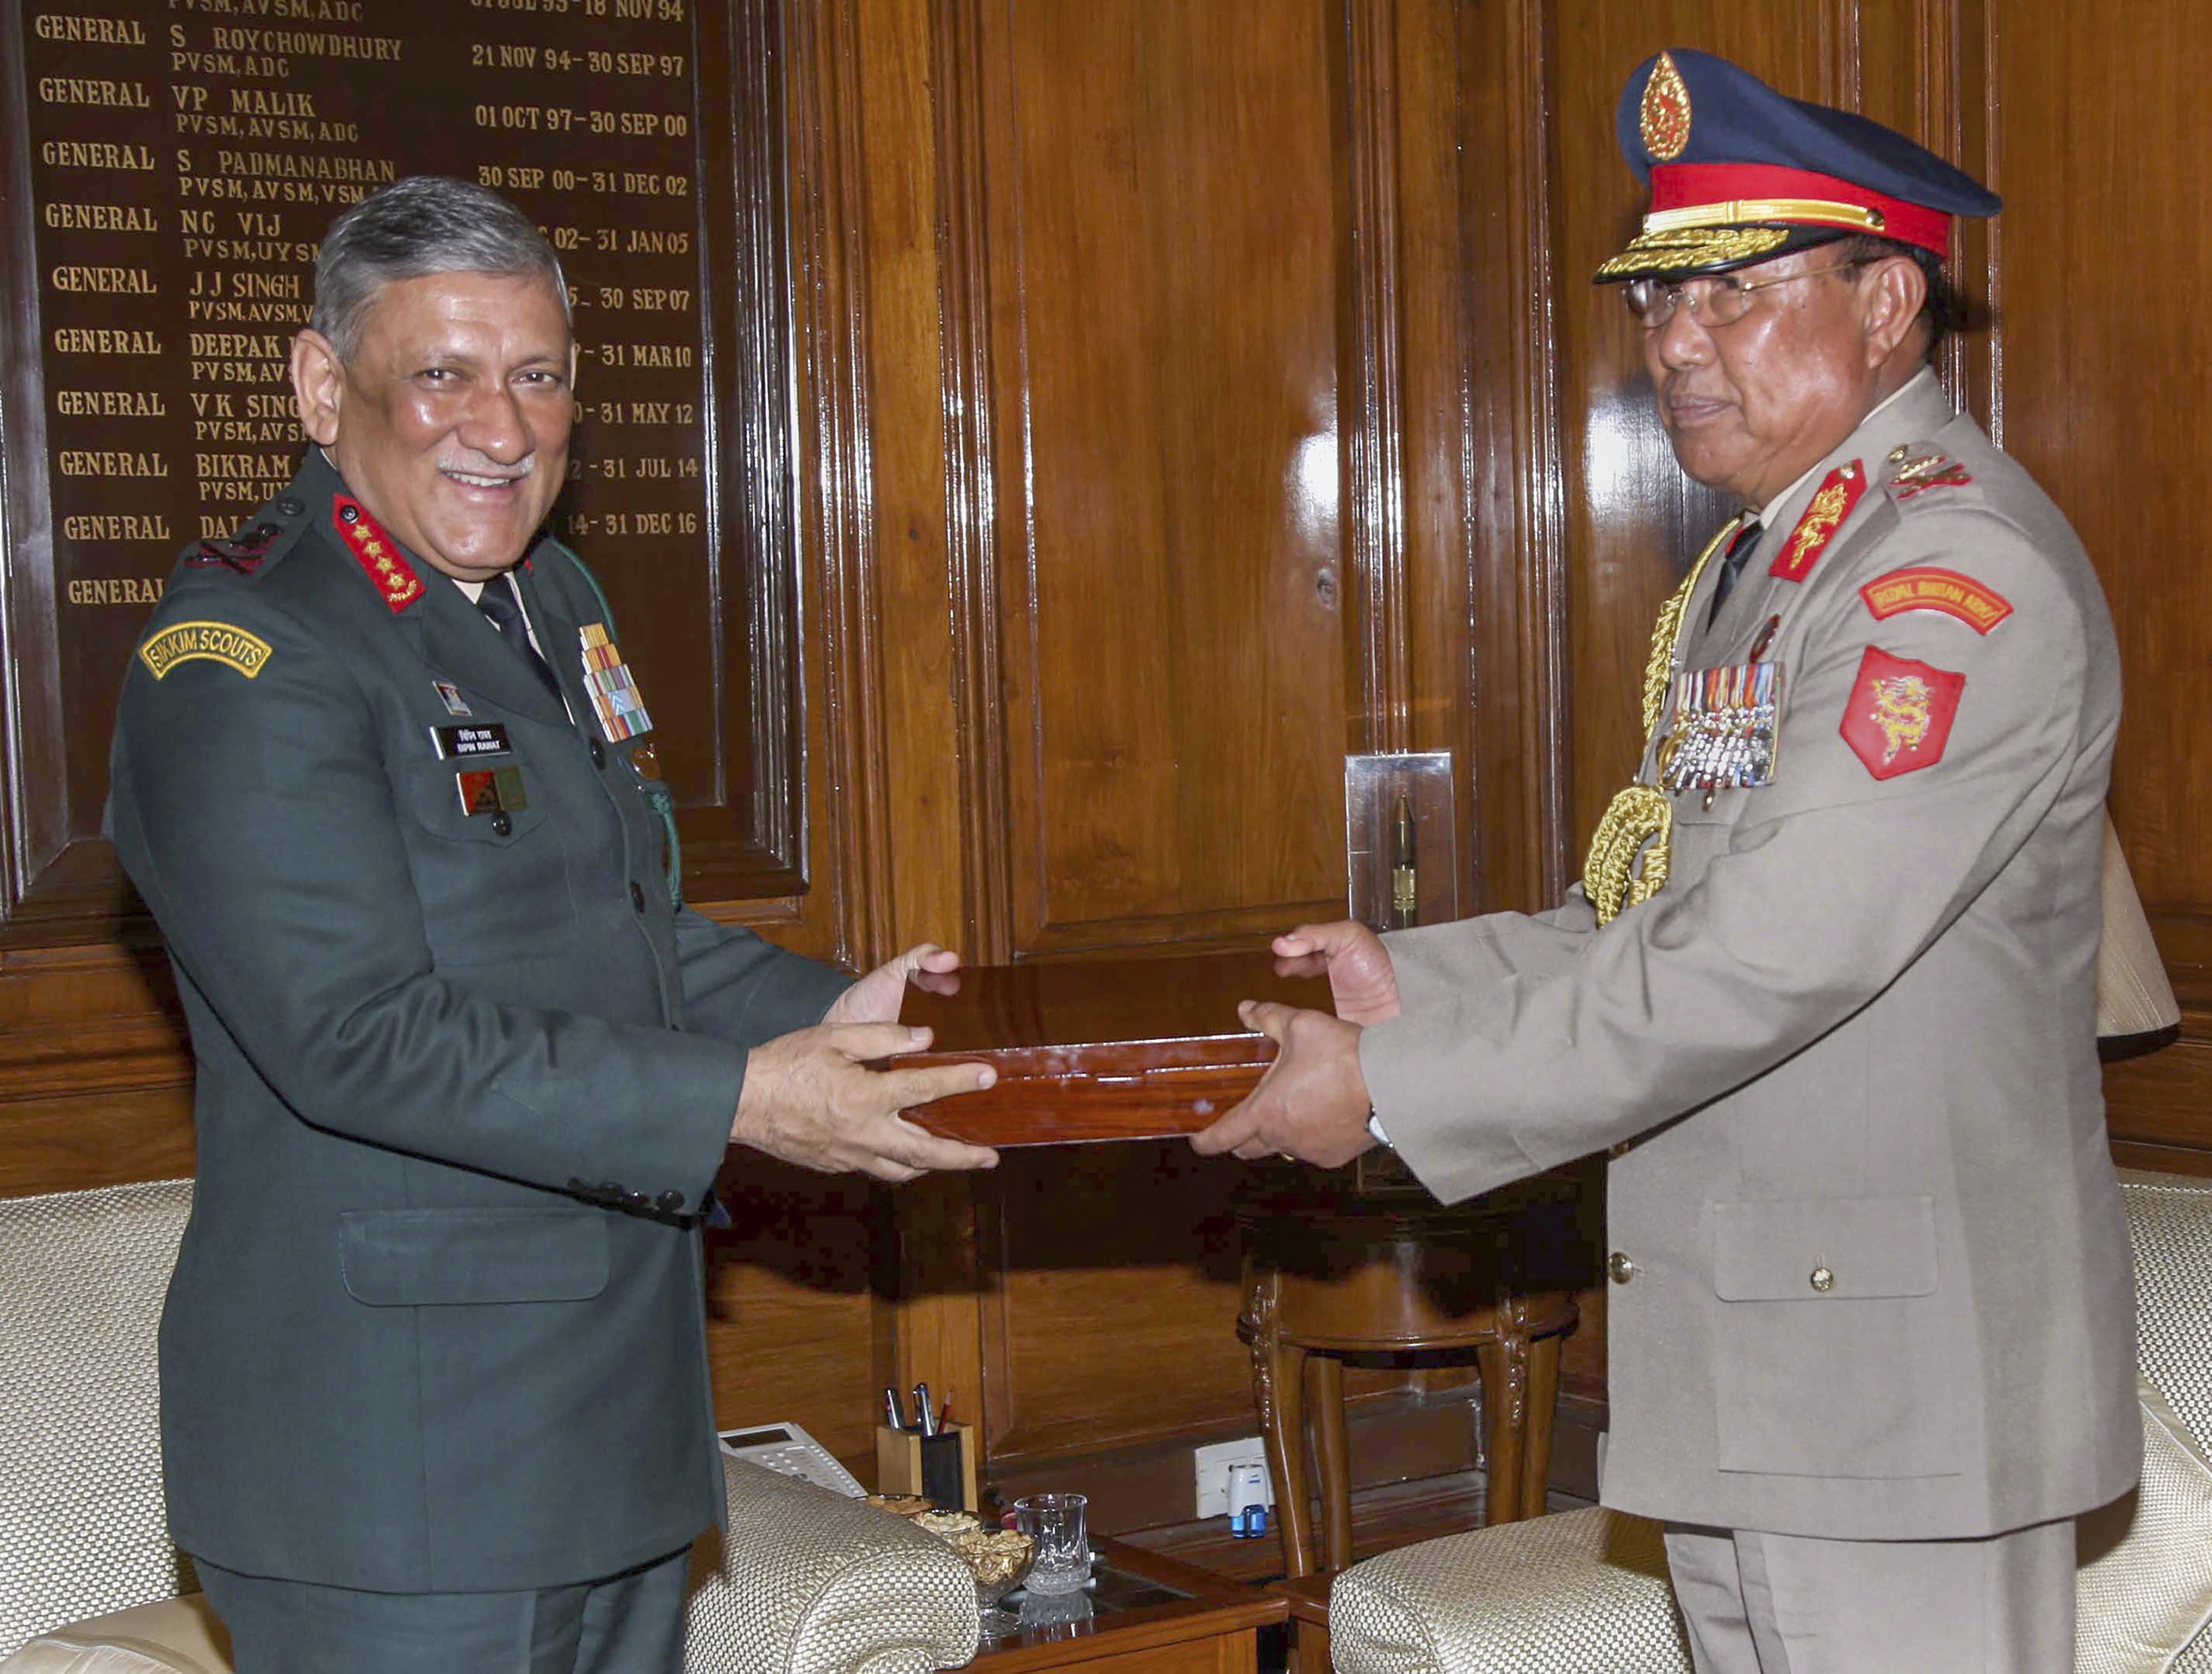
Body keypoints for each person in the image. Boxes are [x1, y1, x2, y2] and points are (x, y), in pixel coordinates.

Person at [1195, 48, 2136, 1672]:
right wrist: (1415, 982)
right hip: (1765, 1377)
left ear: (1887, 302)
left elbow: (1772, 947)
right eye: (1658, 301)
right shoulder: (1767, 571)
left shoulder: (1947, 572)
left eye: (1737, 293)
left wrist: (1401, 1087)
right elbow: (1652, 909)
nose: (1677, 345)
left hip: (1895, 1410)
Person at [104, 176, 999, 1673]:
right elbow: (354, 1034)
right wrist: (741, 1098)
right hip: (401, 1479)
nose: (502, 428)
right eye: (442, 373)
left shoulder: (544, 595)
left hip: (607, 1444)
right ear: (325, 388)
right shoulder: (245, 657)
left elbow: (612, 930)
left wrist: (832, 1019)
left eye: (537, 376)